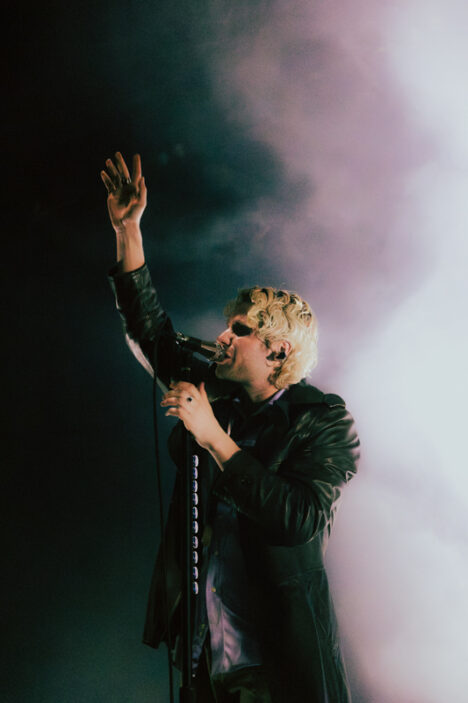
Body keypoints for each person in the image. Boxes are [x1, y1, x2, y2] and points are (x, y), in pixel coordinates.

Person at [102, 152, 360, 703]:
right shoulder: (216, 395)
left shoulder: (321, 419)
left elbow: (297, 518)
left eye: (239, 330)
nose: (222, 336)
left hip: (272, 667)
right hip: (204, 654)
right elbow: (151, 333)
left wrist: (213, 438)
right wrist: (128, 231)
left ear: (277, 351)